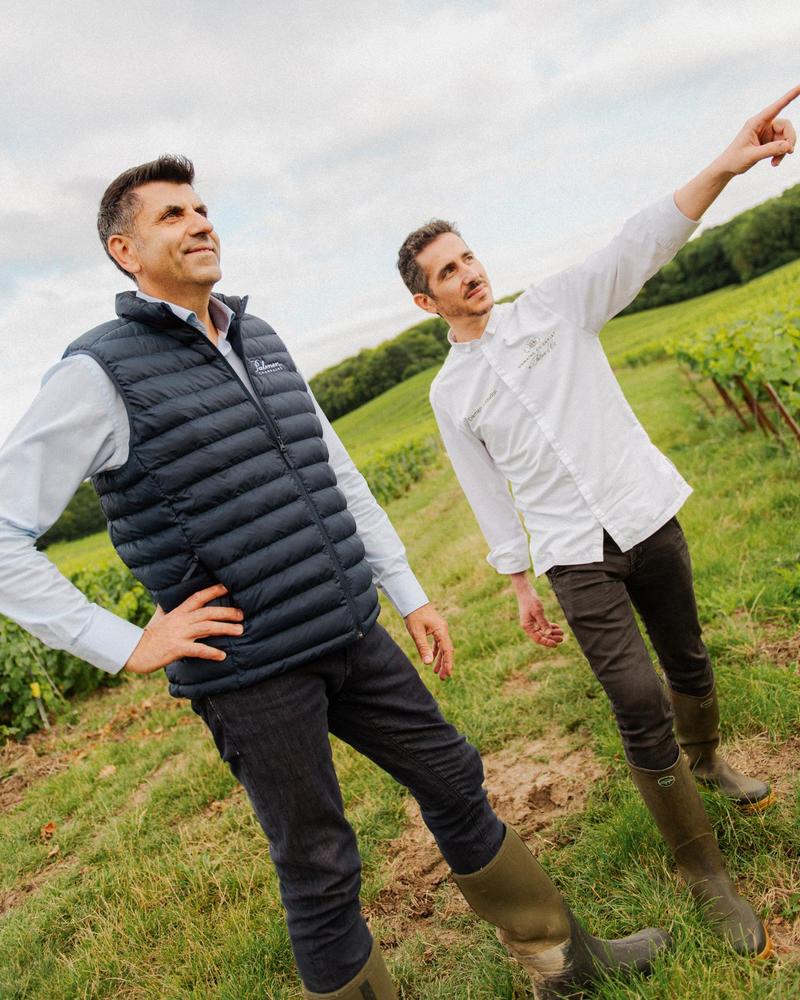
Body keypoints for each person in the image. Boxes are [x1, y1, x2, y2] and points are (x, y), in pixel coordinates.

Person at [0, 156, 674, 1000]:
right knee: (319, 861)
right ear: (124, 250)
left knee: (454, 776)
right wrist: (127, 643)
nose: (201, 222)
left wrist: (407, 592)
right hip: (250, 669)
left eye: (204, 207)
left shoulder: (261, 336)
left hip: (352, 628)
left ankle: (563, 963)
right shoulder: (99, 375)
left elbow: (338, 473)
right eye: (173, 215)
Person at [398, 86, 800, 963]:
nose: (470, 273)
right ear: (428, 304)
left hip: (644, 514)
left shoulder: (556, 308)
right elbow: (485, 491)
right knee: (635, 698)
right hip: (576, 558)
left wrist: (727, 166)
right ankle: (705, 876)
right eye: (449, 272)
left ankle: (711, 763)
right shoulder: (449, 393)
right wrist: (515, 583)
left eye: (469, 257)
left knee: (688, 658)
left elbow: (643, 240)